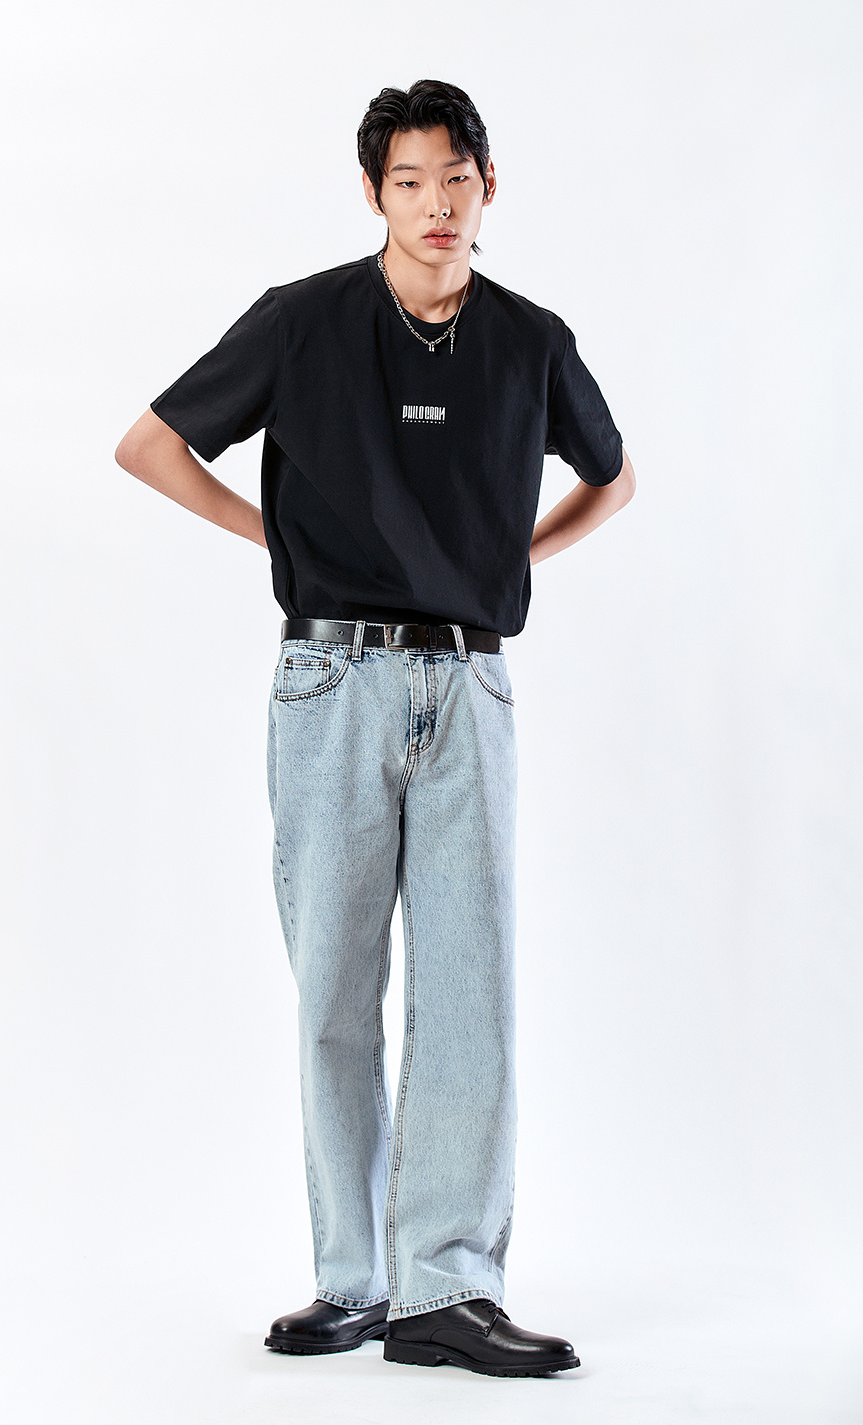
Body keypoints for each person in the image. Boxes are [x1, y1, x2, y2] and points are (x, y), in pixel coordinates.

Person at [115, 78, 634, 1379]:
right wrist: (278, 541)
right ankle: (354, 1278)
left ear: (489, 185)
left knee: (469, 996)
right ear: (373, 193)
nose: (436, 204)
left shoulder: (531, 340)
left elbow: (613, 478)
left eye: (456, 178)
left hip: (468, 683)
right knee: (334, 992)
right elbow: (151, 444)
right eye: (409, 181)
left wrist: (506, 564)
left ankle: (444, 1287)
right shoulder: (302, 321)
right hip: (330, 680)